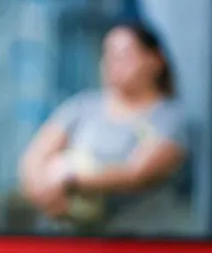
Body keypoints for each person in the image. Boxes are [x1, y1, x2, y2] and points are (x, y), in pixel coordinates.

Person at [19, 22, 190, 235]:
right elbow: (34, 158)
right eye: (107, 54)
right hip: (68, 244)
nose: (112, 63)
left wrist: (68, 178)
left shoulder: (169, 119)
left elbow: (137, 174)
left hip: (137, 245)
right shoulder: (81, 107)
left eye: (123, 54)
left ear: (154, 60)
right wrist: (45, 191)